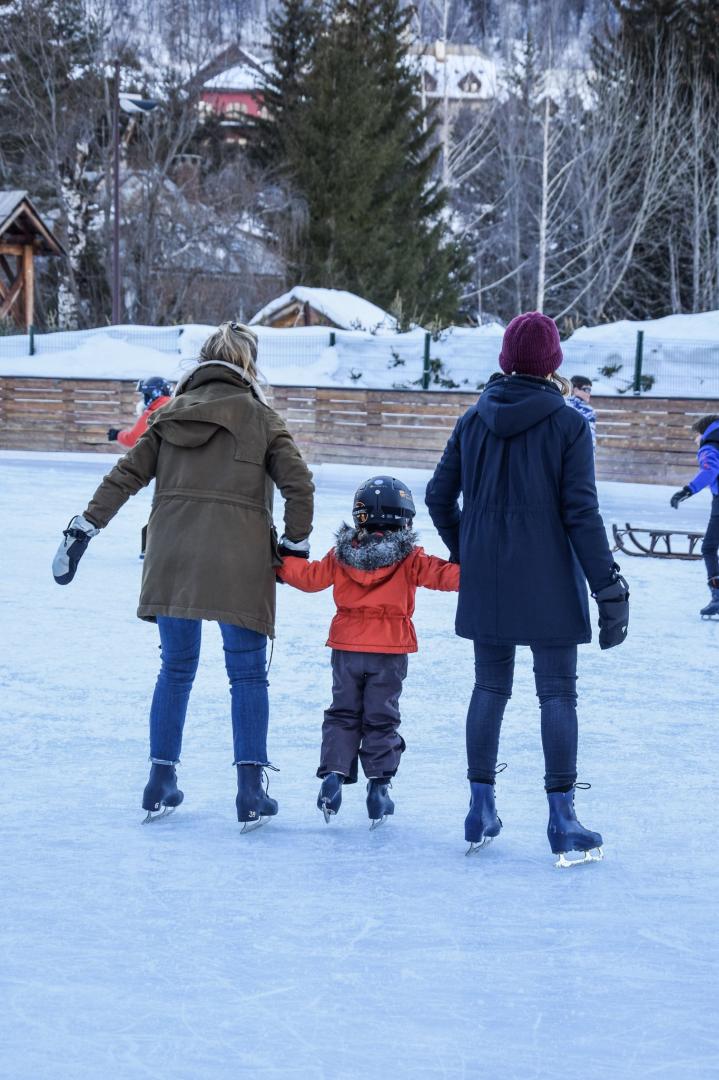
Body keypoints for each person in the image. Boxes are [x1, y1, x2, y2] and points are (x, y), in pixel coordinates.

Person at [52, 322, 314, 827]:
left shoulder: (169, 413)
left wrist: (85, 526)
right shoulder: (262, 418)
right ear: (248, 366)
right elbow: (299, 485)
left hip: (171, 555)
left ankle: (160, 781)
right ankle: (250, 791)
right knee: (247, 674)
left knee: (175, 669)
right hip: (240, 560)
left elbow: (124, 476)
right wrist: (293, 546)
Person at [425, 311, 629, 867]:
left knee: (489, 687)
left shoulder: (473, 420)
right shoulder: (569, 424)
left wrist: (467, 548)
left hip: (488, 580)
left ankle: (480, 808)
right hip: (550, 581)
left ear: (506, 360)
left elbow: (438, 497)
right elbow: (582, 514)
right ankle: (562, 819)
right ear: (553, 363)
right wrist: (608, 588)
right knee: (557, 693)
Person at [277, 476, 459, 828]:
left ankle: (333, 776)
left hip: (346, 648)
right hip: (389, 651)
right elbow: (447, 576)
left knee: (343, 713)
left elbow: (309, 578)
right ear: (404, 518)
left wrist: (282, 561)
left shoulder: (342, 554)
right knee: (381, 717)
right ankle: (379, 787)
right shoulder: (412, 557)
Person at [670, 414, 719, 619]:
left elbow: (709, 471)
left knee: (709, 547)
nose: (695, 440)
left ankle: (717, 596)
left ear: (703, 432)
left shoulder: (710, 447)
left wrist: (686, 491)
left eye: (696, 435)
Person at [107, 376, 173, 449]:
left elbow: (132, 439)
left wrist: (117, 435)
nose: (144, 399)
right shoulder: (175, 408)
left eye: (146, 395)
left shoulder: (151, 414)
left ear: (154, 394)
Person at [566, 375, 596, 452]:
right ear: (575, 389)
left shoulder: (562, 405)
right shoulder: (587, 410)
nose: (589, 394)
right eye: (587, 390)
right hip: (581, 453)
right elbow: (590, 439)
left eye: (590, 390)